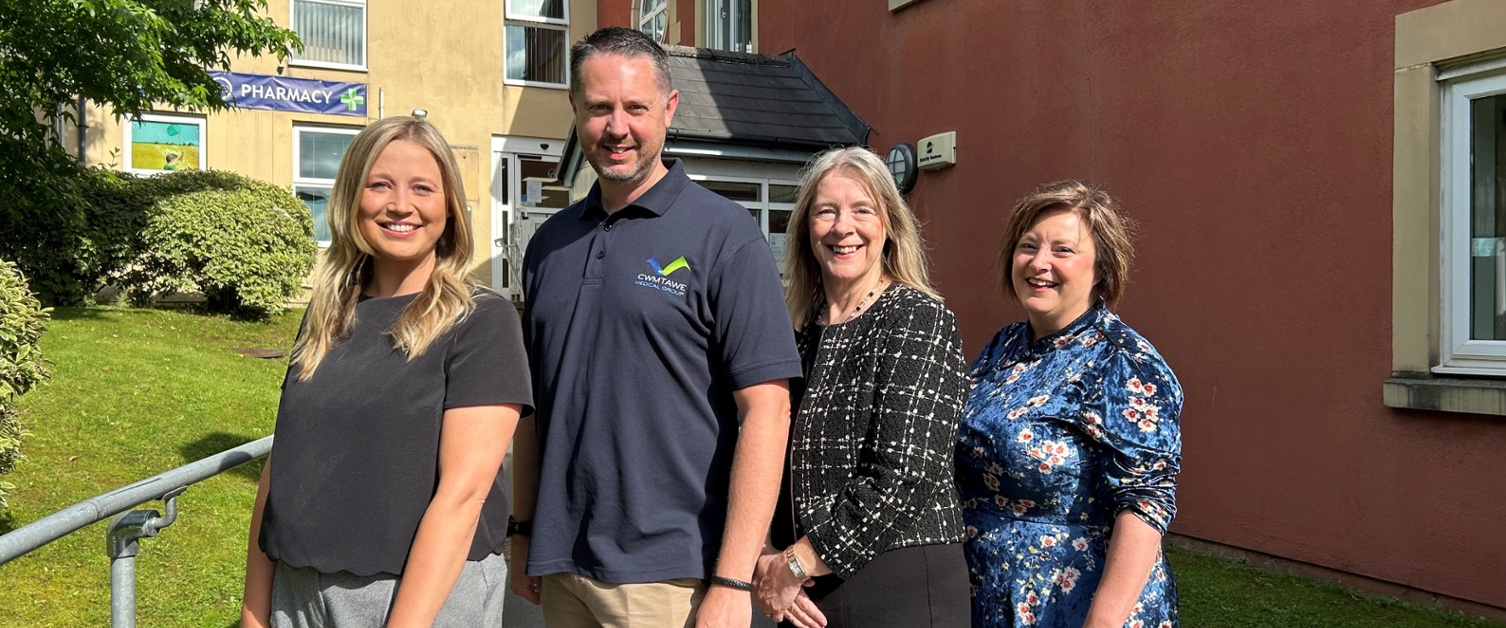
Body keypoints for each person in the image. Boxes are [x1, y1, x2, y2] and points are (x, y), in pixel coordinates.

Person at [512, 27, 802, 627]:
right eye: (598, 108)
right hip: (564, 569)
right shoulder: (548, 245)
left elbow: (767, 413)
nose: (617, 127)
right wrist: (524, 532)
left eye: (635, 107)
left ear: (669, 109)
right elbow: (532, 410)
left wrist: (729, 580)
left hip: (675, 578)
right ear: (574, 109)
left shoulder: (725, 235)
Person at [241, 116, 530, 628]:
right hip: (298, 589)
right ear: (353, 198)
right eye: (380, 185)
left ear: (448, 207)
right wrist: (254, 609)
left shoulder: (482, 321)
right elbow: (281, 466)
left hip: (417, 598)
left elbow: (462, 496)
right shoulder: (327, 315)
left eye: (423, 188)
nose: (401, 205)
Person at [754, 147, 971, 628]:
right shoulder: (802, 331)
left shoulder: (918, 317)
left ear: (889, 224)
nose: (841, 227)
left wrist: (793, 564)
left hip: (899, 585)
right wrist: (765, 554)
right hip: (807, 589)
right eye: (826, 211)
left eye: (862, 210)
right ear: (806, 228)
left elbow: (906, 473)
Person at [957, 181, 1183, 627]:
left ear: (1101, 269)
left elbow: (1145, 504)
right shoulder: (1005, 346)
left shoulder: (1122, 361)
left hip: (1071, 605)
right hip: (989, 593)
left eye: (1063, 250)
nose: (1039, 263)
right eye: (1028, 246)